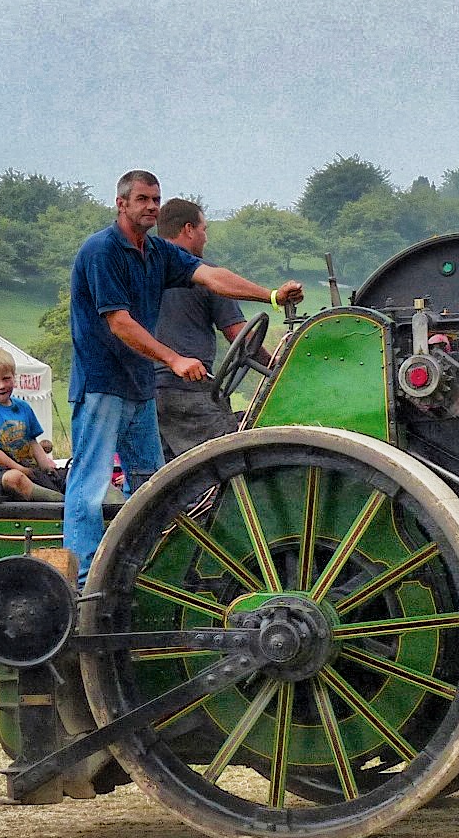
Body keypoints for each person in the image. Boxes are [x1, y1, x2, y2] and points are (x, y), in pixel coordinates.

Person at [64, 169, 301, 582]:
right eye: (142, 199)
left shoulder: (157, 252)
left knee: (150, 484)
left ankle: (146, 572)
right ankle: (84, 578)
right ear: (121, 204)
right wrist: (174, 359)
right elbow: (119, 322)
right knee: (90, 482)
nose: (151, 207)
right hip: (104, 382)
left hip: (140, 386)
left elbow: (210, 276)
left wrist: (271, 295)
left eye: (156, 199)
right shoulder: (102, 251)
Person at [153, 198, 253, 459]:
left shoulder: (144, 272)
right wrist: (276, 362)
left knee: (160, 473)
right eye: (203, 229)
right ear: (188, 229)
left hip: (146, 392)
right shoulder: (208, 276)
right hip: (188, 389)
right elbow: (239, 335)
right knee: (230, 459)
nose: (205, 238)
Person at [0, 345, 63, 502]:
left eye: (6, 379)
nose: (2, 385)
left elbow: (32, 441)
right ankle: (59, 504)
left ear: (14, 376)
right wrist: (18, 468)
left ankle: (60, 499)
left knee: (67, 474)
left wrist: (47, 468)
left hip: (28, 468)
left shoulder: (23, 407)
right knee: (14, 477)